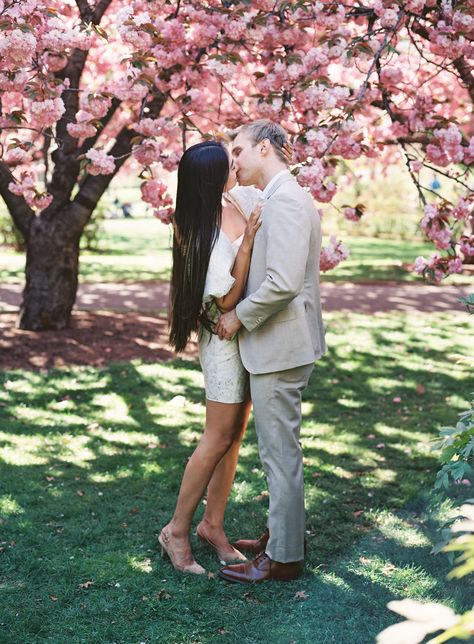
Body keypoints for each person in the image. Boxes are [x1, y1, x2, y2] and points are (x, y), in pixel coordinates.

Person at [215, 120, 326, 583]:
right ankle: (282, 537)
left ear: (264, 148)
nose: (233, 161)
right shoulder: (276, 198)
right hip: (280, 345)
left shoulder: (287, 202)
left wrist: (237, 317)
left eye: (238, 151)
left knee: (280, 455)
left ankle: (281, 560)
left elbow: (282, 282)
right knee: (280, 452)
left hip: (280, 347)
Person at [159, 140, 263, 574]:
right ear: (211, 178)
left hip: (247, 337)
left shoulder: (234, 201)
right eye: (228, 163)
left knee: (233, 437)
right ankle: (176, 531)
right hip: (222, 342)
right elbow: (224, 303)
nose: (235, 165)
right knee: (216, 437)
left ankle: (213, 526)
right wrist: (248, 242)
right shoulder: (201, 230)